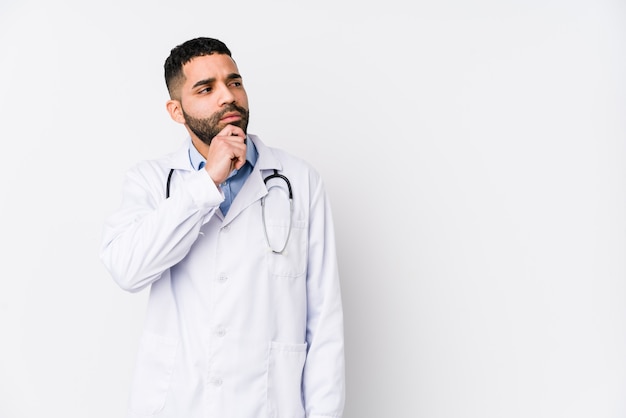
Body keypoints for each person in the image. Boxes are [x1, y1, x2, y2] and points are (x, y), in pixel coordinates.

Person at [100, 37, 345, 418]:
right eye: (206, 88)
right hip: (177, 403)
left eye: (234, 82)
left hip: (268, 404)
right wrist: (205, 184)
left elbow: (324, 320)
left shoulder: (299, 181)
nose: (227, 97)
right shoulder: (150, 181)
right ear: (176, 111)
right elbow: (127, 269)